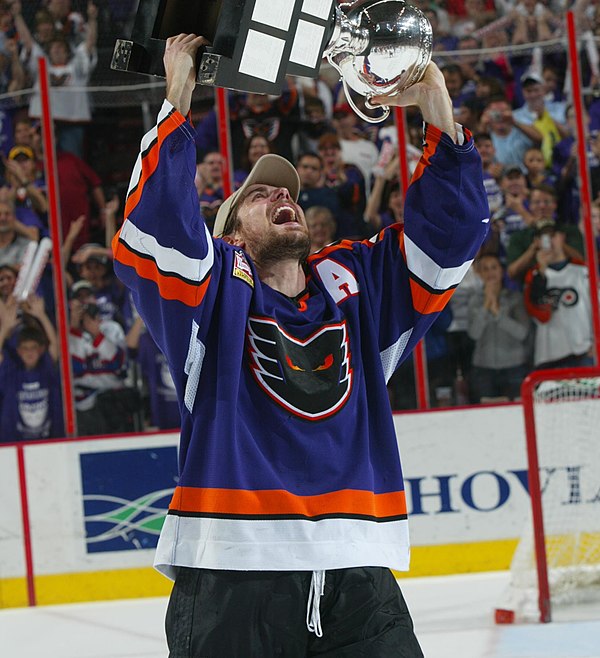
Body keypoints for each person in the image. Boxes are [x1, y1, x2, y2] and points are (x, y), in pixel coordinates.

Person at [112, 34, 489, 656]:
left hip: (357, 567)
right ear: (229, 234)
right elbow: (155, 228)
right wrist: (178, 93)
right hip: (234, 564)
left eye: (285, 192)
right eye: (258, 196)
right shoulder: (211, 297)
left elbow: (450, 238)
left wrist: (437, 107)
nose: (281, 196)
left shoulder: (356, 287)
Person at [524, 221, 594, 370]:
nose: (550, 241)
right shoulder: (534, 275)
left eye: (553, 235)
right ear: (538, 242)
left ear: (562, 237)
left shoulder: (583, 271)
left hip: (584, 350)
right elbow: (537, 312)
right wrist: (542, 271)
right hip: (549, 353)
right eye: (545, 237)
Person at [467, 253, 531, 402]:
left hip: (514, 367)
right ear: (479, 273)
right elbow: (474, 334)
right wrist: (486, 306)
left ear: (501, 271)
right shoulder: (475, 301)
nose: (490, 273)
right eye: (485, 269)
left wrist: (498, 315)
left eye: (494, 268)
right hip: (484, 369)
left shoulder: (515, 298)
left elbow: (522, 332)